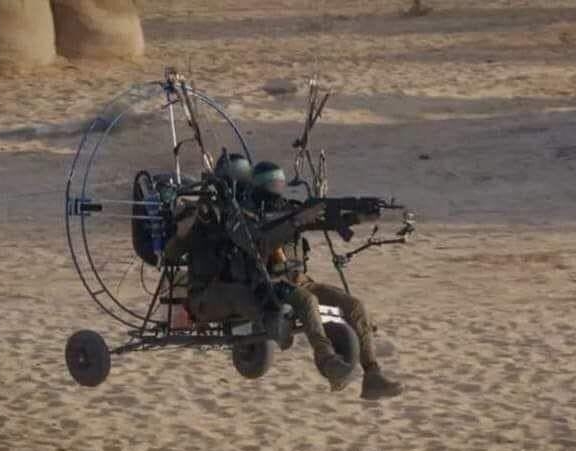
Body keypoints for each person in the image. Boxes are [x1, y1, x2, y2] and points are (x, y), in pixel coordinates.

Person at [163, 153, 354, 389]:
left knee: (263, 293)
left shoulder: (243, 214)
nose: (241, 190)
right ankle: (274, 322)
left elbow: (262, 237)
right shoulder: (205, 216)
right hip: (207, 296)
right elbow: (170, 254)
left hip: (238, 286)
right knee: (240, 295)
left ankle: (324, 354)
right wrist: (184, 231)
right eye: (237, 183)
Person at [249, 161, 404, 400]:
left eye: (280, 182)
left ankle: (372, 375)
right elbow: (263, 239)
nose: (278, 187)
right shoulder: (250, 216)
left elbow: (324, 221)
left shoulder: (290, 209)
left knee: (355, 306)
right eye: (273, 183)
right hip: (273, 285)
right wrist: (296, 221)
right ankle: (327, 361)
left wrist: (357, 217)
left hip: (300, 279)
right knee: (308, 301)